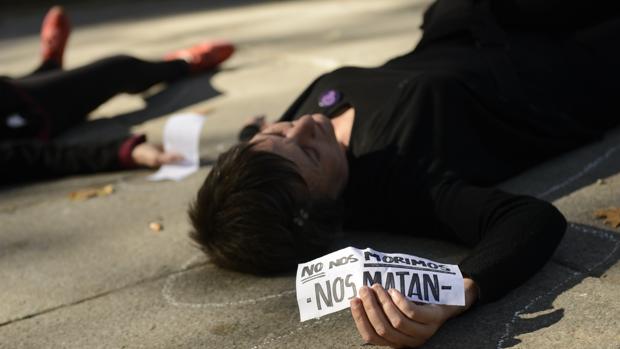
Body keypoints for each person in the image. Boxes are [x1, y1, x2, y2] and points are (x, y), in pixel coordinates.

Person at [188, 0, 620, 347]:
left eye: (276, 133)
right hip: (567, 64)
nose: (303, 124)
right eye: (307, 153)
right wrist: (459, 293)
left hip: (478, 19)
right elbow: (530, 219)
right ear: (325, 206)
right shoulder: (395, 184)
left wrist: (255, 135)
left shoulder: (277, 153)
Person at [1, 6, 234, 183]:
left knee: (42, 81)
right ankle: (183, 64)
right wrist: (127, 152)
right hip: (25, 113)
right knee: (119, 68)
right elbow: (32, 158)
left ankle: (49, 68)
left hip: (9, 91)